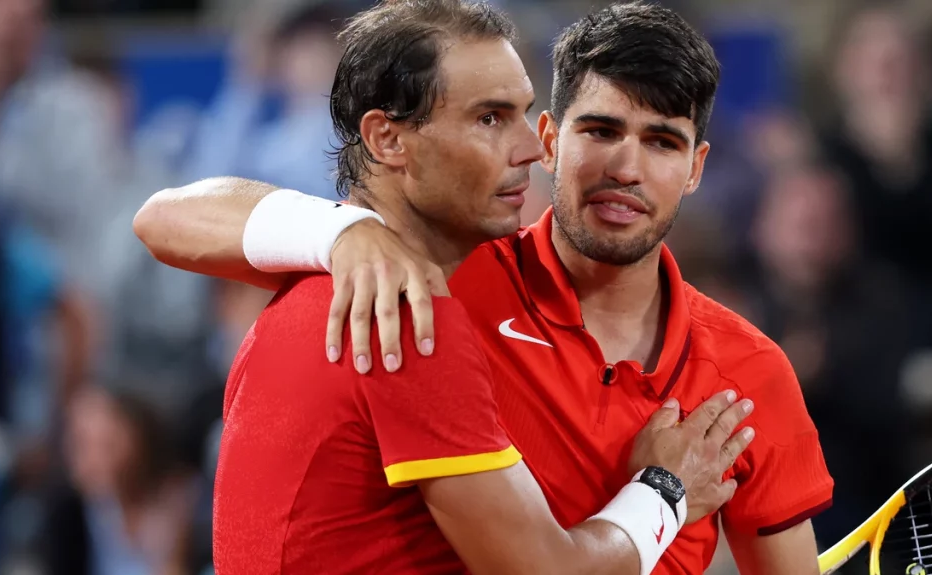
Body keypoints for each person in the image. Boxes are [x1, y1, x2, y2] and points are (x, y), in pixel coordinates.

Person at [135, 2, 831, 573]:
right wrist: (666, 490)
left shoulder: (750, 375)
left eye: (662, 142)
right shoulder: (405, 301)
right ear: (559, 142)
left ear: (698, 166)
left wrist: (343, 235)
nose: (626, 166)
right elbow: (163, 216)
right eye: (600, 130)